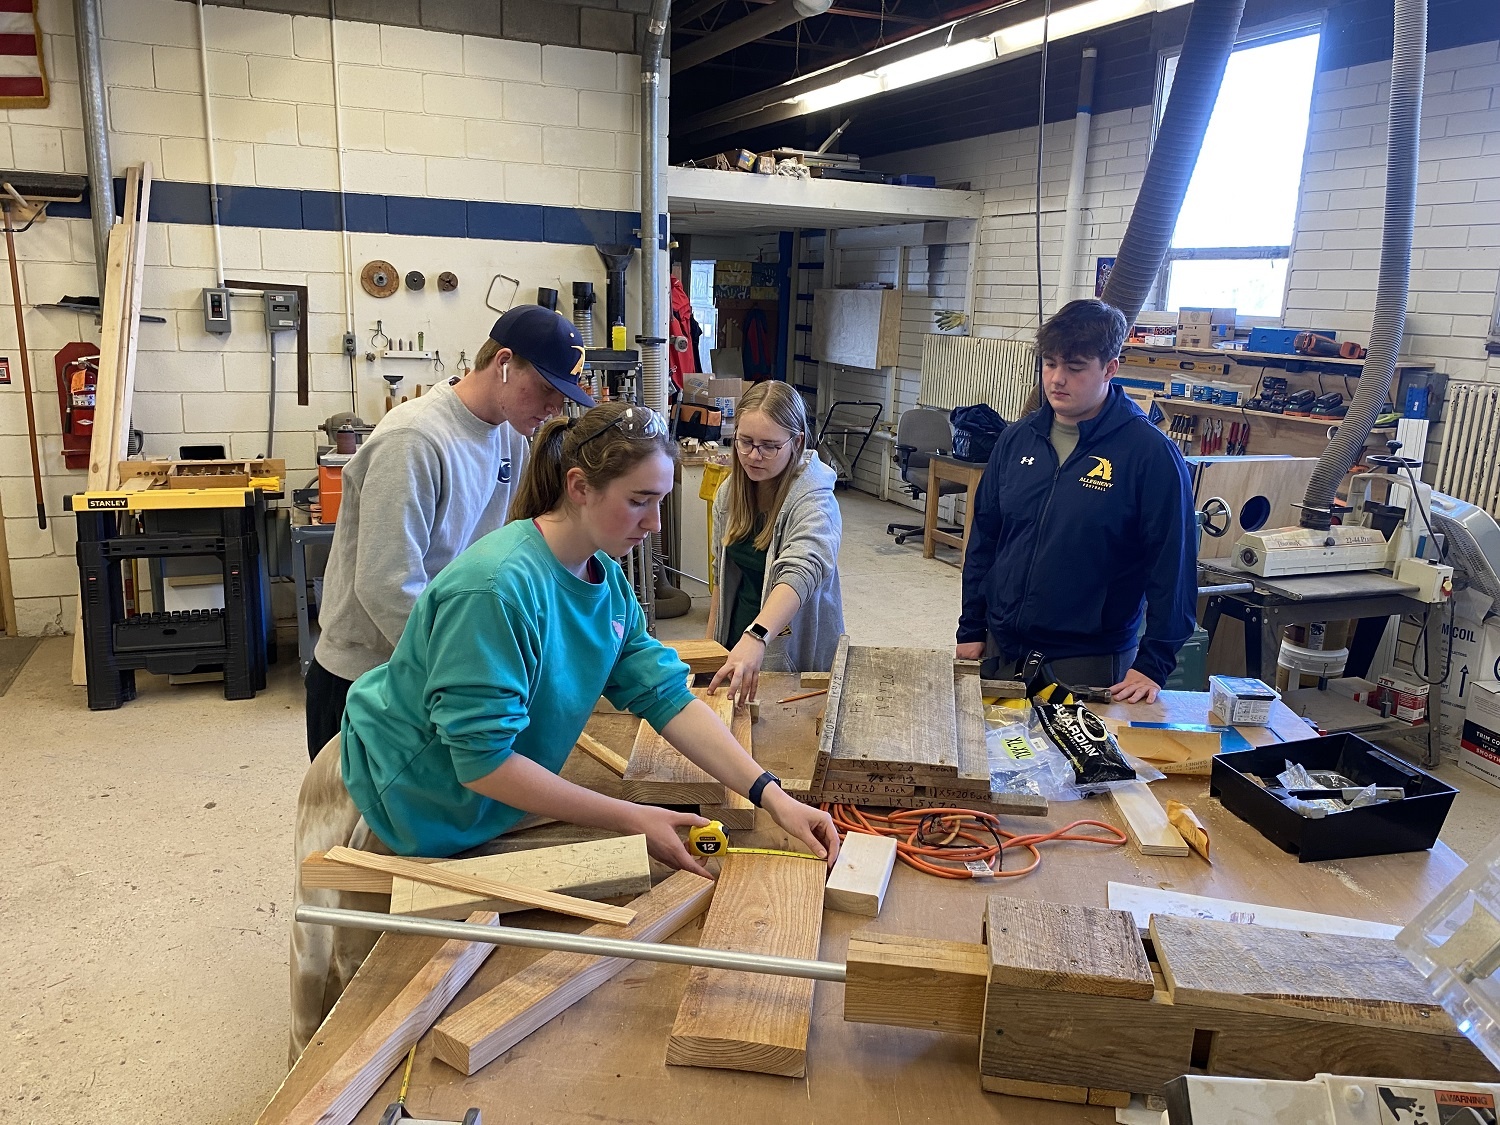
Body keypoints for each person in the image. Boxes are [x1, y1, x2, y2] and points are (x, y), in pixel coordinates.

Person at [289, 400, 841, 1061]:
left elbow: (667, 696)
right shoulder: (497, 589)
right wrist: (634, 817)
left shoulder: (602, 579)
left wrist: (771, 794)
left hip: (472, 796)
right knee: (350, 1007)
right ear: (580, 486)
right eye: (639, 500)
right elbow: (484, 762)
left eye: (660, 501)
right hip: (390, 794)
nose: (654, 523)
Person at [304, 303, 590, 760]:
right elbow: (386, 585)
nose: (554, 408)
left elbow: (508, 547)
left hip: (435, 665)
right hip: (371, 677)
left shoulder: (511, 435)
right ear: (503, 364)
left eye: (563, 396)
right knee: (358, 829)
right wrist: (465, 670)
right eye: (544, 389)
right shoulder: (413, 441)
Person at [954, 299, 1196, 704]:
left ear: (1110, 368)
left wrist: (1154, 663)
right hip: (1003, 646)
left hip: (1087, 659)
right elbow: (986, 541)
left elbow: (1173, 566)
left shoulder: (1148, 455)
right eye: (1049, 364)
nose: (1057, 379)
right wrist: (972, 627)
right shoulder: (1017, 439)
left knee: (1075, 765)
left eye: (1075, 367)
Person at [706, 382, 844, 706]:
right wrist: (710, 649)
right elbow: (719, 578)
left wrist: (757, 636)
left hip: (788, 658)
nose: (754, 456)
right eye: (745, 442)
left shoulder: (815, 499)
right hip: (735, 645)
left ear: (796, 441)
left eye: (769, 446)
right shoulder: (729, 493)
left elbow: (801, 569)